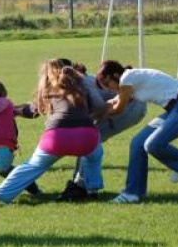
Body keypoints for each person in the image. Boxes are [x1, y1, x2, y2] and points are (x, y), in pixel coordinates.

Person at [0, 60, 104, 207]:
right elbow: (96, 106)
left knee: (32, 166)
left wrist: (14, 110)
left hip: (56, 138)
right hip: (86, 137)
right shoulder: (81, 85)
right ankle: (92, 190)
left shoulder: (46, 89)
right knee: (94, 155)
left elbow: (32, 111)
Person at [96, 61, 178, 204]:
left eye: (107, 83)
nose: (108, 88)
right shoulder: (130, 80)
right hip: (175, 109)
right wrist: (98, 110)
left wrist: (101, 115)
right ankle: (133, 193)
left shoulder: (127, 78)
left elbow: (119, 108)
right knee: (137, 143)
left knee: (152, 144)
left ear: (115, 75)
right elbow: (115, 101)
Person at [57, 59, 148, 201]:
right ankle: (84, 186)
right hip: (132, 106)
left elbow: (99, 106)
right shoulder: (77, 80)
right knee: (87, 140)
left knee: (88, 141)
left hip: (130, 107)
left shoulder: (82, 82)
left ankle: (81, 186)